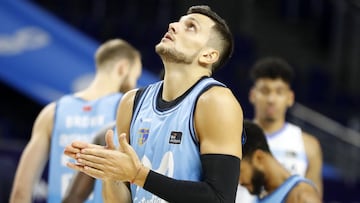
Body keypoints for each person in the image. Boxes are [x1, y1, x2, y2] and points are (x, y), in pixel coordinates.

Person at [64, 5, 244, 203]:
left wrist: (138, 174)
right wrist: (111, 173)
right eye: (178, 21)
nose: (173, 25)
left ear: (208, 55)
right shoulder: (131, 102)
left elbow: (221, 198)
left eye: (191, 26)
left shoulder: (215, 101)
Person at [10, 38, 142, 203]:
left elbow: (20, 192)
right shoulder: (128, 110)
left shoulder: (52, 112)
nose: (134, 83)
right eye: (135, 76)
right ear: (123, 68)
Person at [236, 57, 323, 202]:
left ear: (290, 98)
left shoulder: (308, 145)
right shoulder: (233, 136)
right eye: (264, 91)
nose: (271, 99)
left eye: (279, 91)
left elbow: (314, 195)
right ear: (252, 95)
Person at [240, 119, 321, 203]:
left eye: (240, 171)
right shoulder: (265, 193)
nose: (240, 181)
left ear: (258, 158)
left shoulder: (302, 197)